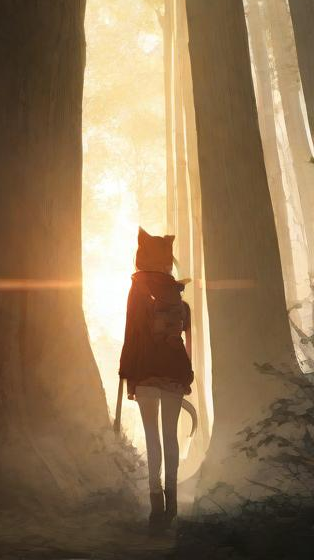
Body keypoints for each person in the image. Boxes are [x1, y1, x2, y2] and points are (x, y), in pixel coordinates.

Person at [118, 228, 194, 531]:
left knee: (153, 439)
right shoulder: (176, 293)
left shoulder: (137, 289)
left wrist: (127, 373)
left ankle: (156, 506)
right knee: (170, 437)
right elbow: (186, 340)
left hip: (146, 372)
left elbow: (131, 335)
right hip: (175, 372)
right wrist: (187, 374)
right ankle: (172, 503)